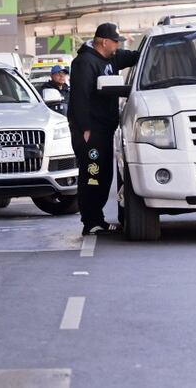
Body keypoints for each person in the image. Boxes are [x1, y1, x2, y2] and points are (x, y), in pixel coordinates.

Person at [69, 23, 140, 236]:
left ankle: (97, 219)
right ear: (103, 41)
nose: (118, 45)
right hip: (90, 131)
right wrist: (85, 128)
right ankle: (90, 222)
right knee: (93, 174)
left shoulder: (111, 58)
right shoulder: (85, 63)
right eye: (115, 41)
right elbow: (80, 97)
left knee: (104, 175)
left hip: (105, 129)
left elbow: (132, 56)